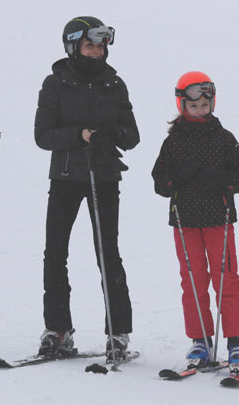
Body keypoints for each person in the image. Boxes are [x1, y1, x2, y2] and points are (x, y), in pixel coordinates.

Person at [34, 16, 139, 362]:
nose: (96, 51)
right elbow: (43, 135)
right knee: (55, 252)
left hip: (104, 177)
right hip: (66, 177)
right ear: (73, 45)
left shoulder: (114, 84)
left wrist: (114, 135)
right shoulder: (56, 83)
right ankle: (58, 330)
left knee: (108, 253)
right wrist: (79, 135)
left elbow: (132, 134)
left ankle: (118, 332)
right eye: (90, 45)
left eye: (101, 45)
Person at [151, 71, 239, 372]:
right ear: (182, 106)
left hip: (218, 219)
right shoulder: (173, 142)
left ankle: (237, 342)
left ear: (212, 103)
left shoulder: (224, 138)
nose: (199, 111)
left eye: (204, 106)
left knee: (226, 279)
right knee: (193, 281)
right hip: (185, 222)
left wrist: (223, 180)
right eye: (193, 107)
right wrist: (174, 180)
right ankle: (200, 340)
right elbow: (159, 180)